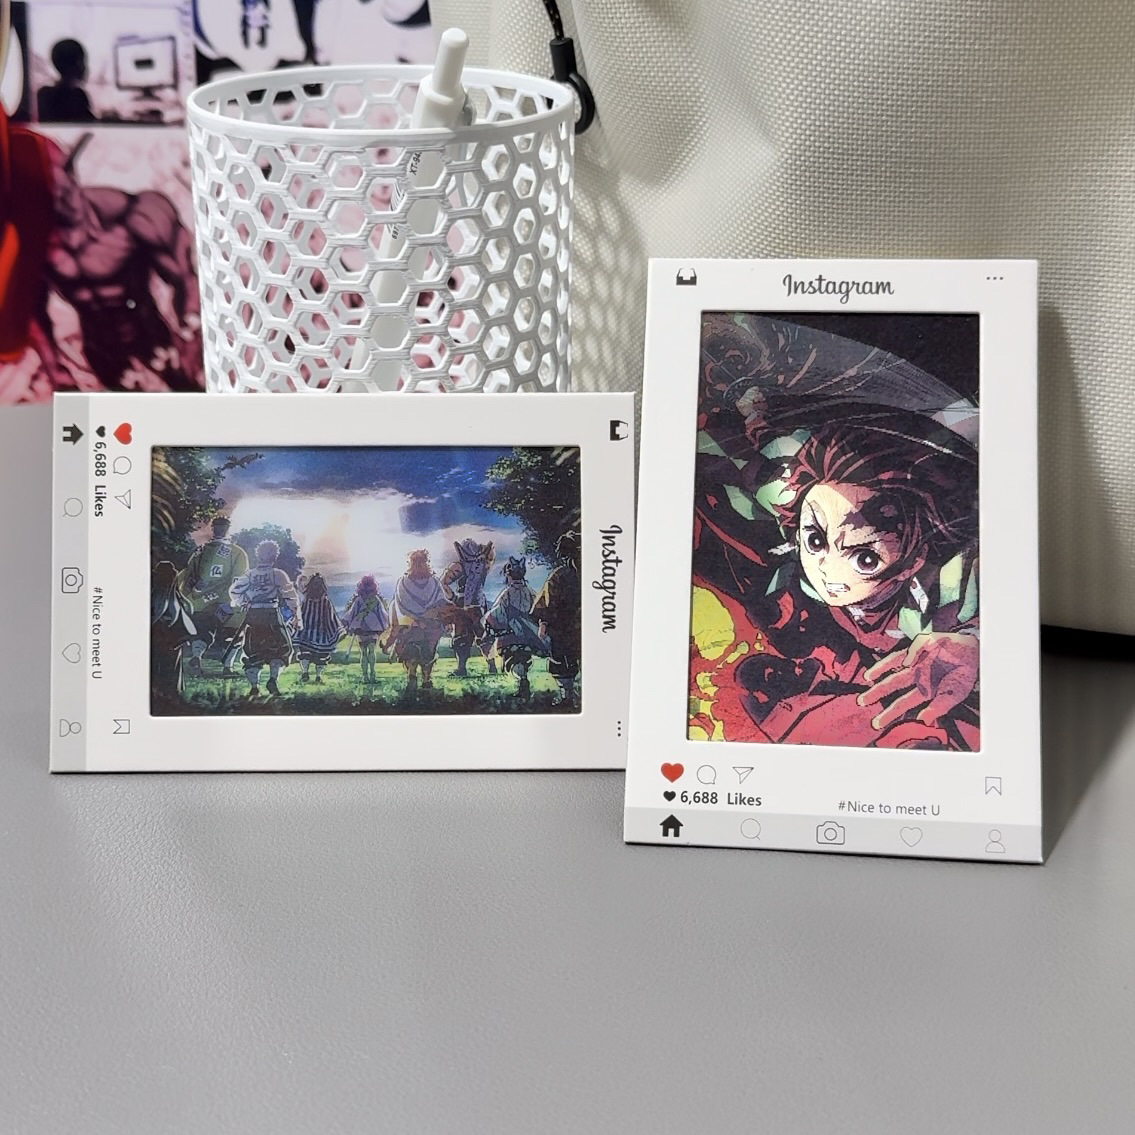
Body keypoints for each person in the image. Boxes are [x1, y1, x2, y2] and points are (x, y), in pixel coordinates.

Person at [30, 132, 202, 392]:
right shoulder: (34, 244)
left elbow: (185, 278)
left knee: (187, 392)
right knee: (122, 411)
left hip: (152, 335)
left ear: (71, 175)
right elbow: (35, 314)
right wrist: (55, 368)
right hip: (101, 351)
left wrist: (191, 328)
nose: (60, 206)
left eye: (62, 193)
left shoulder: (133, 213)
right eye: (46, 199)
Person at [178, 516, 249, 678]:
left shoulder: (200, 551)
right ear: (228, 530)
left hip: (199, 602)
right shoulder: (237, 552)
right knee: (233, 633)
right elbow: (238, 580)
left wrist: (188, 597)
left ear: (213, 529)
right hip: (225, 603)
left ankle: (197, 658)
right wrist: (236, 602)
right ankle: (227, 667)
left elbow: (188, 575)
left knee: (203, 632)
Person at [229, 540, 299, 698]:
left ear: (258, 555)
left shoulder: (249, 574)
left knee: (253, 651)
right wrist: (297, 617)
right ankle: (272, 680)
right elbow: (291, 596)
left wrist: (244, 602)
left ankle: (255, 687)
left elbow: (234, 591)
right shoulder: (278, 574)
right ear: (275, 556)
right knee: (282, 649)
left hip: (254, 616)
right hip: (271, 615)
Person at [531, 532, 582, 708]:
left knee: (564, 660)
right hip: (566, 627)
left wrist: (543, 623)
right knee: (565, 660)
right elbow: (548, 600)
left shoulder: (560, 574)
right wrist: (544, 622)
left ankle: (569, 697)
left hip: (566, 629)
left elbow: (546, 602)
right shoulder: (560, 575)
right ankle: (569, 697)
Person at [387, 550, 448, 692]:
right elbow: (401, 603)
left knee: (429, 652)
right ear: (411, 564)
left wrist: (429, 616)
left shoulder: (434, 582)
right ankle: (412, 676)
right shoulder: (403, 582)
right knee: (411, 651)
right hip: (410, 624)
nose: (419, 566)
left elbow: (440, 601)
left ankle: (426, 679)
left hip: (431, 624)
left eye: (422, 562)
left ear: (427, 563)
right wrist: (415, 619)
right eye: (415, 563)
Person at [484, 556, 542, 700]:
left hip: (511, 634)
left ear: (509, 576)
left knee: (513, 660)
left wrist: (490, 625)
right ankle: (523, 685)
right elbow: (538, 608)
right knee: (523, 659)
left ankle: (523, 685)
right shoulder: (530, 592)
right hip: (528, 634)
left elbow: (497, 612)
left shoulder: (507, 593)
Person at [439, 538, 496, 677]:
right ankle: (491, 666)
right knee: (478, 635)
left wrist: (453, 598)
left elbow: (443, 583)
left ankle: (463, 668)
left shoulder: (460, 566)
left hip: (465, 606)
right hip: (478, 605)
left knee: (465, 636)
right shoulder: (483, 564)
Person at [151, 560, 195, 701]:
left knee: (168, 666)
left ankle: (169, 693)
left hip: (169, 637)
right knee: (164, 666)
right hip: (164, 636)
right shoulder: (164, 595)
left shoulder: (173, 596)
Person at [292, 573, 343, 683]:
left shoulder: (308, 600)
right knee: (319, 655)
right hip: (319, 634)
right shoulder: (325, 602)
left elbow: (301, 614)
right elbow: (331, 618)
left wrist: (296, 625)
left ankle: (306, 673)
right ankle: (316, 675)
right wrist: (334, 630)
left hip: (307, 633)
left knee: (306, 653)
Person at [342, 574, 389, 684]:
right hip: (371, 627)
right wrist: (385, 624)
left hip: (363, 628)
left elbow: (352, 613)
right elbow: (381, 614)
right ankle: (370, 675)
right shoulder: (373, 599)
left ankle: (367, 676)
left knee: (365, 652)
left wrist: (347, 622)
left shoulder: (362, 599)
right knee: (369, 651)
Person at [36, 40, 96, 124]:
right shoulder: (78, 96)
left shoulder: (44, 94)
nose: (85, 67)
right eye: (82, 61)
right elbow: (89, 123)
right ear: (74, 64)